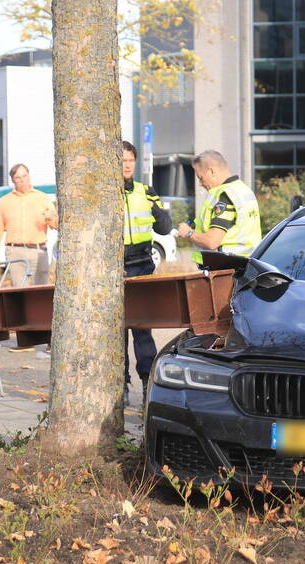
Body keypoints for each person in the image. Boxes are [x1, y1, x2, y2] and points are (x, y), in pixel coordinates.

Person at [121, 140, 172, 403]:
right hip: (115, 270)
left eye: (130, 160)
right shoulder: (106, 194)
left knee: (143, 331)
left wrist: (159, 209)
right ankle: (121, 386)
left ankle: (146, 384)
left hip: (142, 266)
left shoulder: (146, 190)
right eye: (122, 160)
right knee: (117, 332)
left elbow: (164, 228)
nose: (127, 165)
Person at [176, 150, 262, 257]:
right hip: (247, 263)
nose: (200, 184)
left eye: (201, 178)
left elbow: (212, 242)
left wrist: (188, 233)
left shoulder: (225, 196)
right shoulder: (243, 189)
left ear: (211, 171)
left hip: (228, 267)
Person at [0, 163, 58, 287]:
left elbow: (56, 225)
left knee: (40, 290)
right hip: (15, 252)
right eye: (18, 178)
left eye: (25, 176)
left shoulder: (42, 198)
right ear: (13, 180)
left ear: (29, 176)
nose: (22, 180)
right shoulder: (5, 201)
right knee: (18, 291)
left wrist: (51, 218)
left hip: (38, 251)